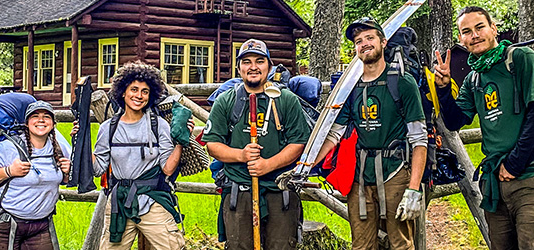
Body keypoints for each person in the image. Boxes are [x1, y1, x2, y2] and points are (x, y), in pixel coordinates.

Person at [434, 6, 534, 250]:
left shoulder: (521, 58)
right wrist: (443, 88)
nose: (474, 35)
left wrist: (515, 163)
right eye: (466, 31)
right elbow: (454, 121)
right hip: (496, 185)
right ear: (461, 38)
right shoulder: (474, 78)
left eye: (480, 27)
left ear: (493, 29)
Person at [313, 17, 428, 249]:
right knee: (362, 245)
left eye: (369, 38)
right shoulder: (351, 87)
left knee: (401, 244)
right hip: (360, 176)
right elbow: (334, 134)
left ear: (383, 42)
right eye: (358, 41)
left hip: (395, 172)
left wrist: (414, 189)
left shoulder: (402, 82)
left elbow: (419, 139)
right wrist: (306, 166)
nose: (364, 43)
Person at [202, 39, 310, 249]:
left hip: (280, 191)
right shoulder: (226, 101)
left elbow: (298, 143)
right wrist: (240, 155)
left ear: (269, 66)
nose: (253, 67)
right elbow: (213, 144)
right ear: (238, 68)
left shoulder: (286, 100)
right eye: (246, 61)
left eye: (259, 61)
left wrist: (268, 165)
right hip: (239, 190)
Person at [72, 61, 190, 249]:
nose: (139, 96)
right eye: (134, 89)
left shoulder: (159, 125)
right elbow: (97, 168)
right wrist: (82, 143)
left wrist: (181, 142)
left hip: (152, 200)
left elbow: (167, 168)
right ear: (123, 92)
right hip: (119, 203)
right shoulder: (108, 128)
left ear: (150, 96)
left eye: (145, 91)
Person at [0, 100, 72, 250]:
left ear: (53, 123)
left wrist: (66, 174)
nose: (41, 120)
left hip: (41, 225)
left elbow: (58, 181)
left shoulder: (58, 148)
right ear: (26, 123)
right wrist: (9, 171)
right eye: (35, 116)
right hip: (3, 224)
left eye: (46, 116)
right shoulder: (9, 147)